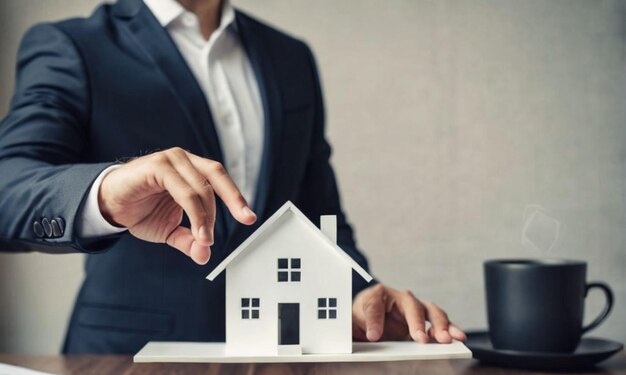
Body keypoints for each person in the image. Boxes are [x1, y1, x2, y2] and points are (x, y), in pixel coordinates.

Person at [0, 0, 466, 353]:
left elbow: (315, 216)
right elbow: (8, 188)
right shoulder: (73, 46)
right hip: (124, 367)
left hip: (280, 362)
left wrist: (362, 297)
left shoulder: (290, 57)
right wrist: (105, 192)